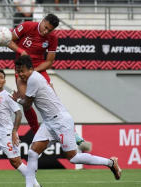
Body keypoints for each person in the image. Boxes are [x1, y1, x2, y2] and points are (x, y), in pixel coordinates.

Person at [10, 56, 122, 187]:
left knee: (73, 158)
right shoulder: (32, 79)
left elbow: (28, 105)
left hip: (61, 120)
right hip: (49, 122)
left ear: (31, 69)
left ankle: (110, 163)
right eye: (18, 71)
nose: (21, 74)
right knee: (32, 152)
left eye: (23, 70)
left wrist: (17, 99)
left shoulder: (33, 79)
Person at [7, 13, 85, 147]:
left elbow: (48, 63)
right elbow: (8, 40)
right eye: (45, 27)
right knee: (26, 103)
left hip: (38, 69)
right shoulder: (27, 26)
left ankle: (72, 132)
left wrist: (32, 73)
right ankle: (37, 133)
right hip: (21, 70)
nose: (46, 31)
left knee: (53, 100)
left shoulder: (52, 38)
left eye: (50, 30)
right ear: (42, 21)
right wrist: (21, 51)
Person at [0, 69, 42, 187]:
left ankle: (36, 185)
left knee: (16, 163)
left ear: (4, 81)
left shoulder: (7, 96)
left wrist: (14, 131)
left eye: (1, 77)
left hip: (7, 134)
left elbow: (18, 113)